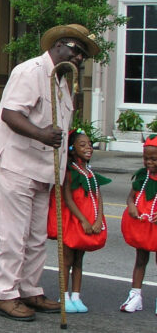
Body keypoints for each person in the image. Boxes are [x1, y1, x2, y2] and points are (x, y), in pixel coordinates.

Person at [0, 24, 99, 322]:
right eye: (76, 50)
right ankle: (4, 294)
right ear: (59, 45)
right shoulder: (30, 71)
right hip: (14, 162)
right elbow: (10, 114)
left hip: (43, 169)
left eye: (84, 55)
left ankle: (29, 289)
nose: (80, 58)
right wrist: (42, 134)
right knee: (14, 235)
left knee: (35, 236)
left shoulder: (61, 81)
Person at [47, 128, 110, 313]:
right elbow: (67, 198)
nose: (88, 147)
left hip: (89, 221)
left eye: (90, 144)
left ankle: (76, 295)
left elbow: (98, 196)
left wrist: (98, 218)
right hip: (72, 221)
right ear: (72, 149)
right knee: (67, 259)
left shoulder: (89, 172)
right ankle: (63, 295)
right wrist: (82, 220)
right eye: (82, 145)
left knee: (79, 260)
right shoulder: (69, 171)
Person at [119, 134, 157, 314]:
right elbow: (130, 196)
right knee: (140, 259)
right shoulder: (143, 176)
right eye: (146, 158)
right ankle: (135, 295)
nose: (149, 162)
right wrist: (131, 205)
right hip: (142, 225)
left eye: (153, 158)